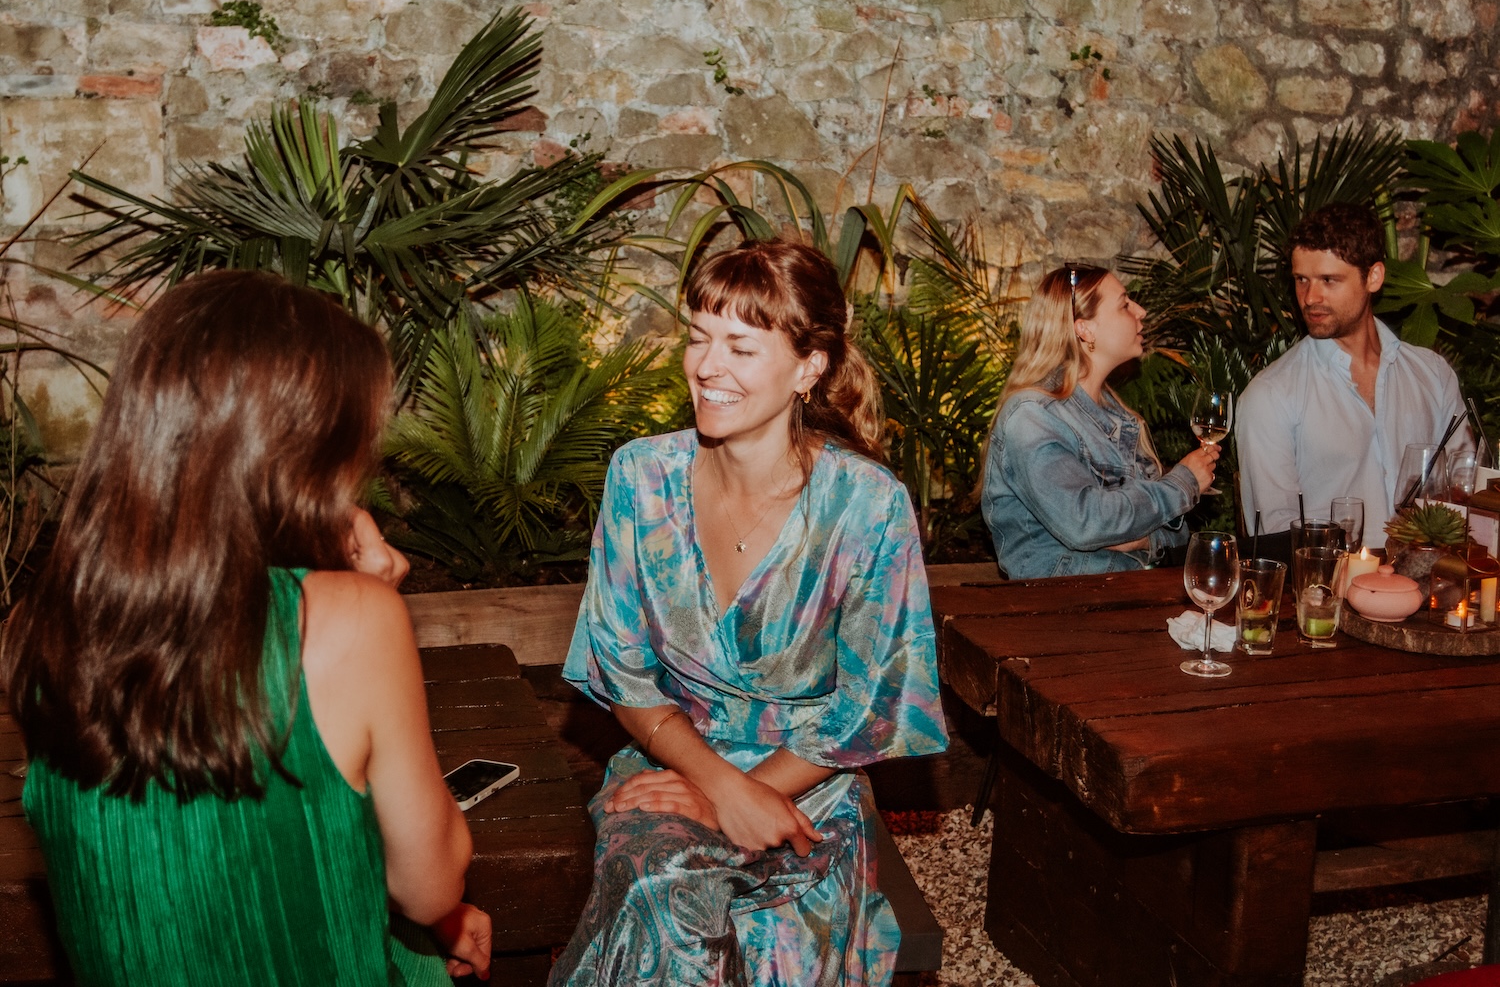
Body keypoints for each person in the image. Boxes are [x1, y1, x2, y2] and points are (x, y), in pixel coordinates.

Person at [2, 271, 491, 986]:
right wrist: (366, 598)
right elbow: (431, 882)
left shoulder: (42, 625)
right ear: (294, 458)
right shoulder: (351, 621)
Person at [550, 240, 948, 987]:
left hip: (809, 781)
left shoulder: (867, 507)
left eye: (740, 345)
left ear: (809, 366)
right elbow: (623, 670)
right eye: (697, 336)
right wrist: (714, 784)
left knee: (774, 935)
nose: (706, 365)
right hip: (672, 761)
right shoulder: (641, 477)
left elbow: (871, 707)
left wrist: (745, 790)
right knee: (662, 887)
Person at [1238, 202, 1468, 545]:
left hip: (1431, 581)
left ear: (1373, 277)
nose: (1310, 297)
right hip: (1328, 591)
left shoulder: (1433, 375)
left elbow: (1464, 487)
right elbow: (1276, 540)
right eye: (1302, 279)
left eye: (1329, 280)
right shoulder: (1269, 397)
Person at [981, 264, 1217, 579]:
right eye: (1124, 304)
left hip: (1124, 596)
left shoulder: (1120, 418)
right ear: (1085, 330)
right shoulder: (1033, 417)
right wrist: (1181, 484)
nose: (1141, 312)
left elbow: (1177, 535)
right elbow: (1086, 524)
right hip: (1061, 611)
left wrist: (1137, 536)